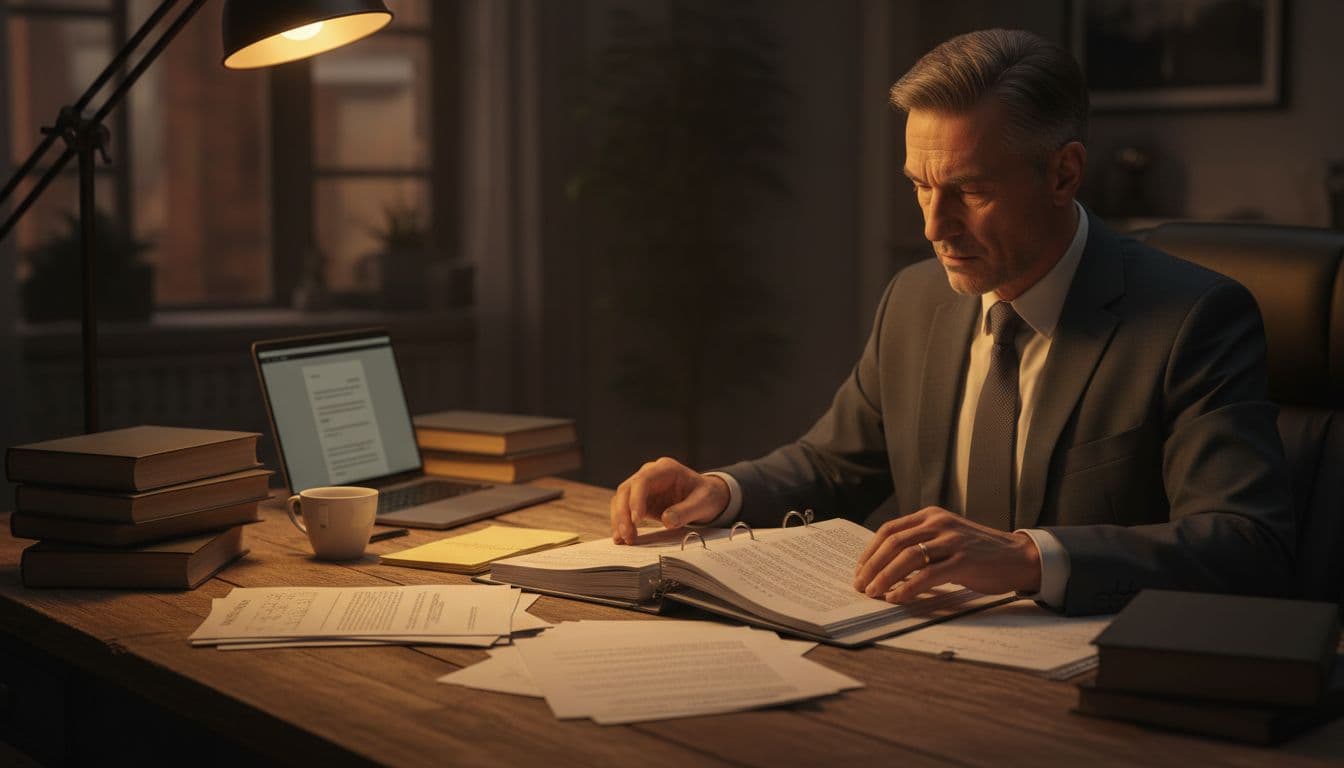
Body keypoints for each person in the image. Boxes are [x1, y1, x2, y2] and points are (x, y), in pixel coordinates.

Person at [607, 28, 1295, 616]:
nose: (935, 227)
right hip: (925, 659)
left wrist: (1028, 557)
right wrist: (721, 492)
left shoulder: (1194, 319)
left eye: (970, 191)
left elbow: (1245, 542)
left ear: (1063, 174)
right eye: (919, 186)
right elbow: (834, 463)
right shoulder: (915, 299)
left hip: (1099, 676)